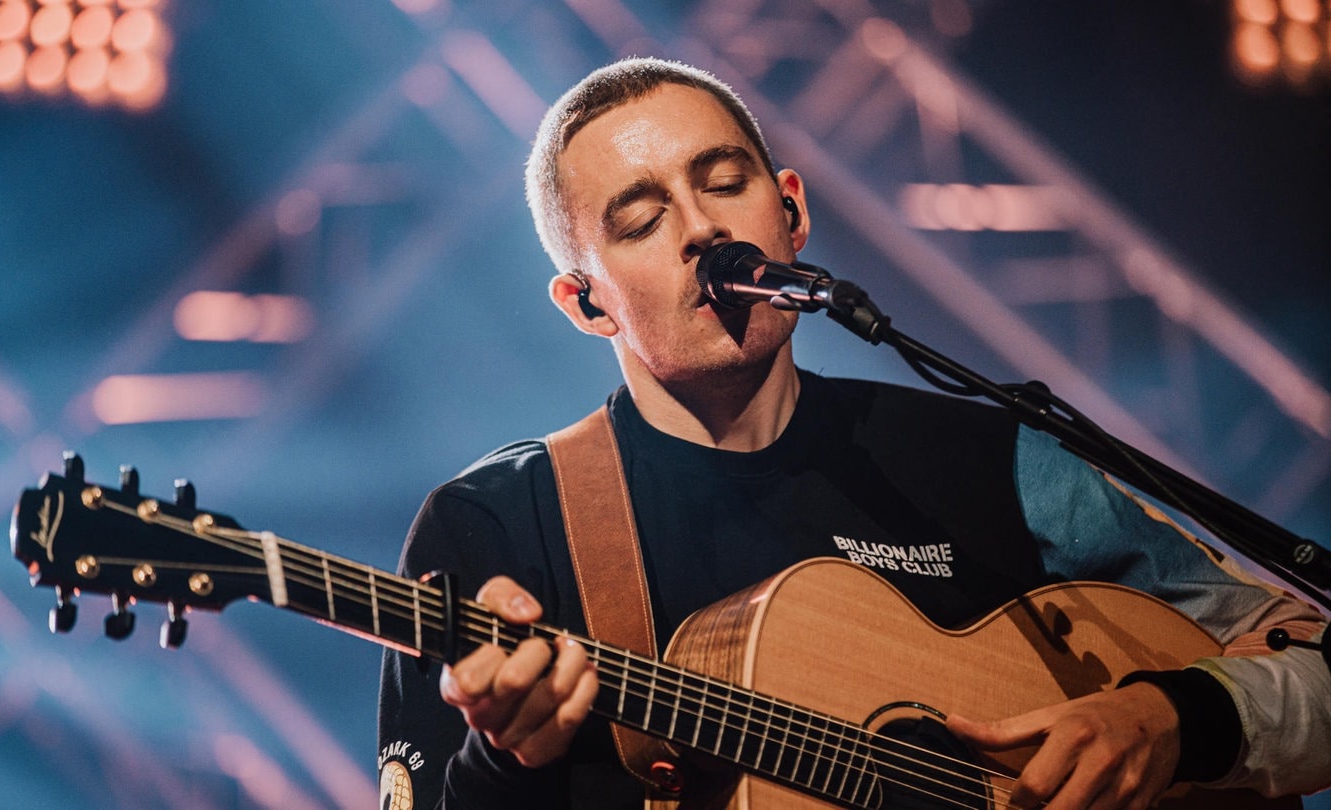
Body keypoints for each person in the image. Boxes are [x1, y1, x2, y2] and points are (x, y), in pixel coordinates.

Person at [377, 57, 1331, 809]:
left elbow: (1312, 662)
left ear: (789, 212)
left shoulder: (990, 457)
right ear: (587, 305)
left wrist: (1172, 716)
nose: (703, 229)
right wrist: (504, 763)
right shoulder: (499, 525)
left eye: (724, 182)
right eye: (640, 219)